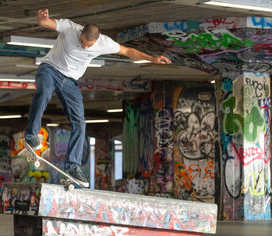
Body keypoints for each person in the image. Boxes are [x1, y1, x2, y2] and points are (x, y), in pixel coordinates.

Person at [24, 9, 171, 187]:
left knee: (79, 122)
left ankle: (73, 166)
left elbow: (128, 51)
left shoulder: (104, 43)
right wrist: (42, 19)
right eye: (83, 43)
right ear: (80, 33)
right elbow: (47, 23)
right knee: (44, 92)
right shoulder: (70, 28)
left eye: (89, 46)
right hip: (50, 69)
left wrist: (152, 59)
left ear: (97, 40)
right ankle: (32, 135)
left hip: (69, 81)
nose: (85, 47)